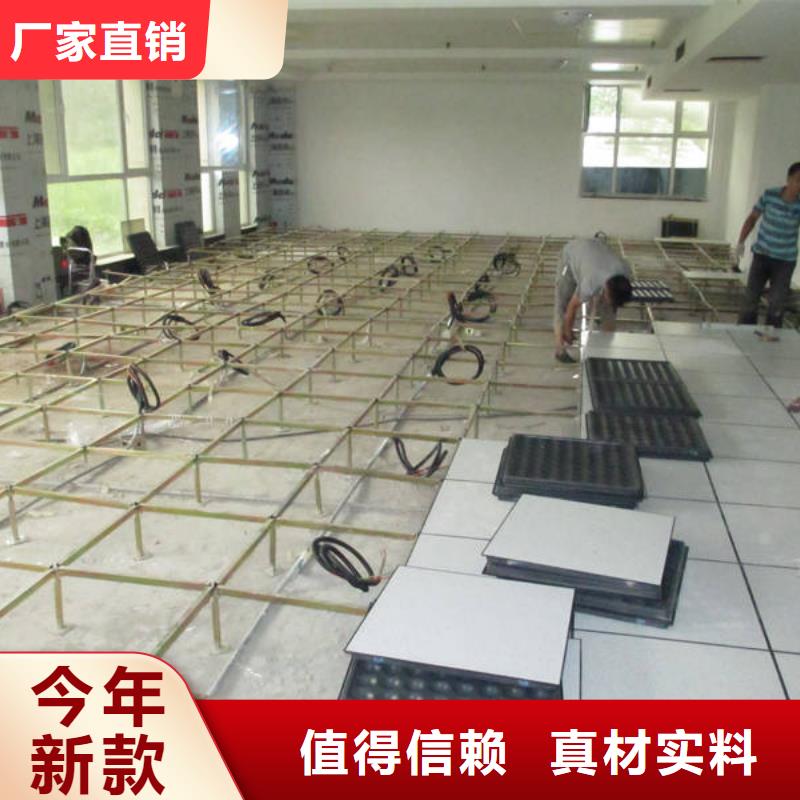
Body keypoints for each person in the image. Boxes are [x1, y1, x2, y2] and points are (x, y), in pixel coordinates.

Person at [736, 162, 800, 328]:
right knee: (750, 300)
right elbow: (752, 218)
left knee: (777, 304)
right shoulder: (770, 195)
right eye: (798, 180)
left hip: (785, 261)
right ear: (788, 179)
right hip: (762, 255)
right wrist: (741, 241)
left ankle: (771, 337)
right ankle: (745, 335)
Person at [553, 233, 633, 363]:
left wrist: (606, 343)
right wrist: (568, 331)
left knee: (607, 309)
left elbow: (611, 308)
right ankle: (559, 349)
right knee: (562, 301)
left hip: (595, 251)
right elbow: (572, 307)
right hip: (571, 254)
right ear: (606, 289)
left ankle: (605, 348)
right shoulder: (591, 282)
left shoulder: (626, 272)